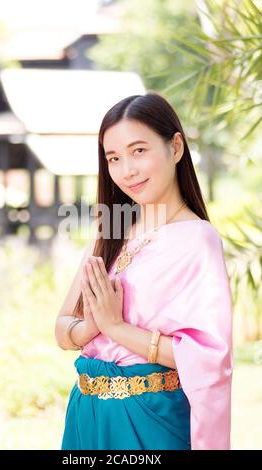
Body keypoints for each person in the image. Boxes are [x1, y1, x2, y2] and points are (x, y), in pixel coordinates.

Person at [55, 92, 234, 450]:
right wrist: (92, 326)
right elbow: (62, 329)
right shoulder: (112, 231)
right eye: (114, 158)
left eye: (139, 151)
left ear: (176, 147)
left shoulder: (198, 239)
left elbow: (208, 359)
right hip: (85, 415)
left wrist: (116, 328)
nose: (127, 170)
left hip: (148, 418)